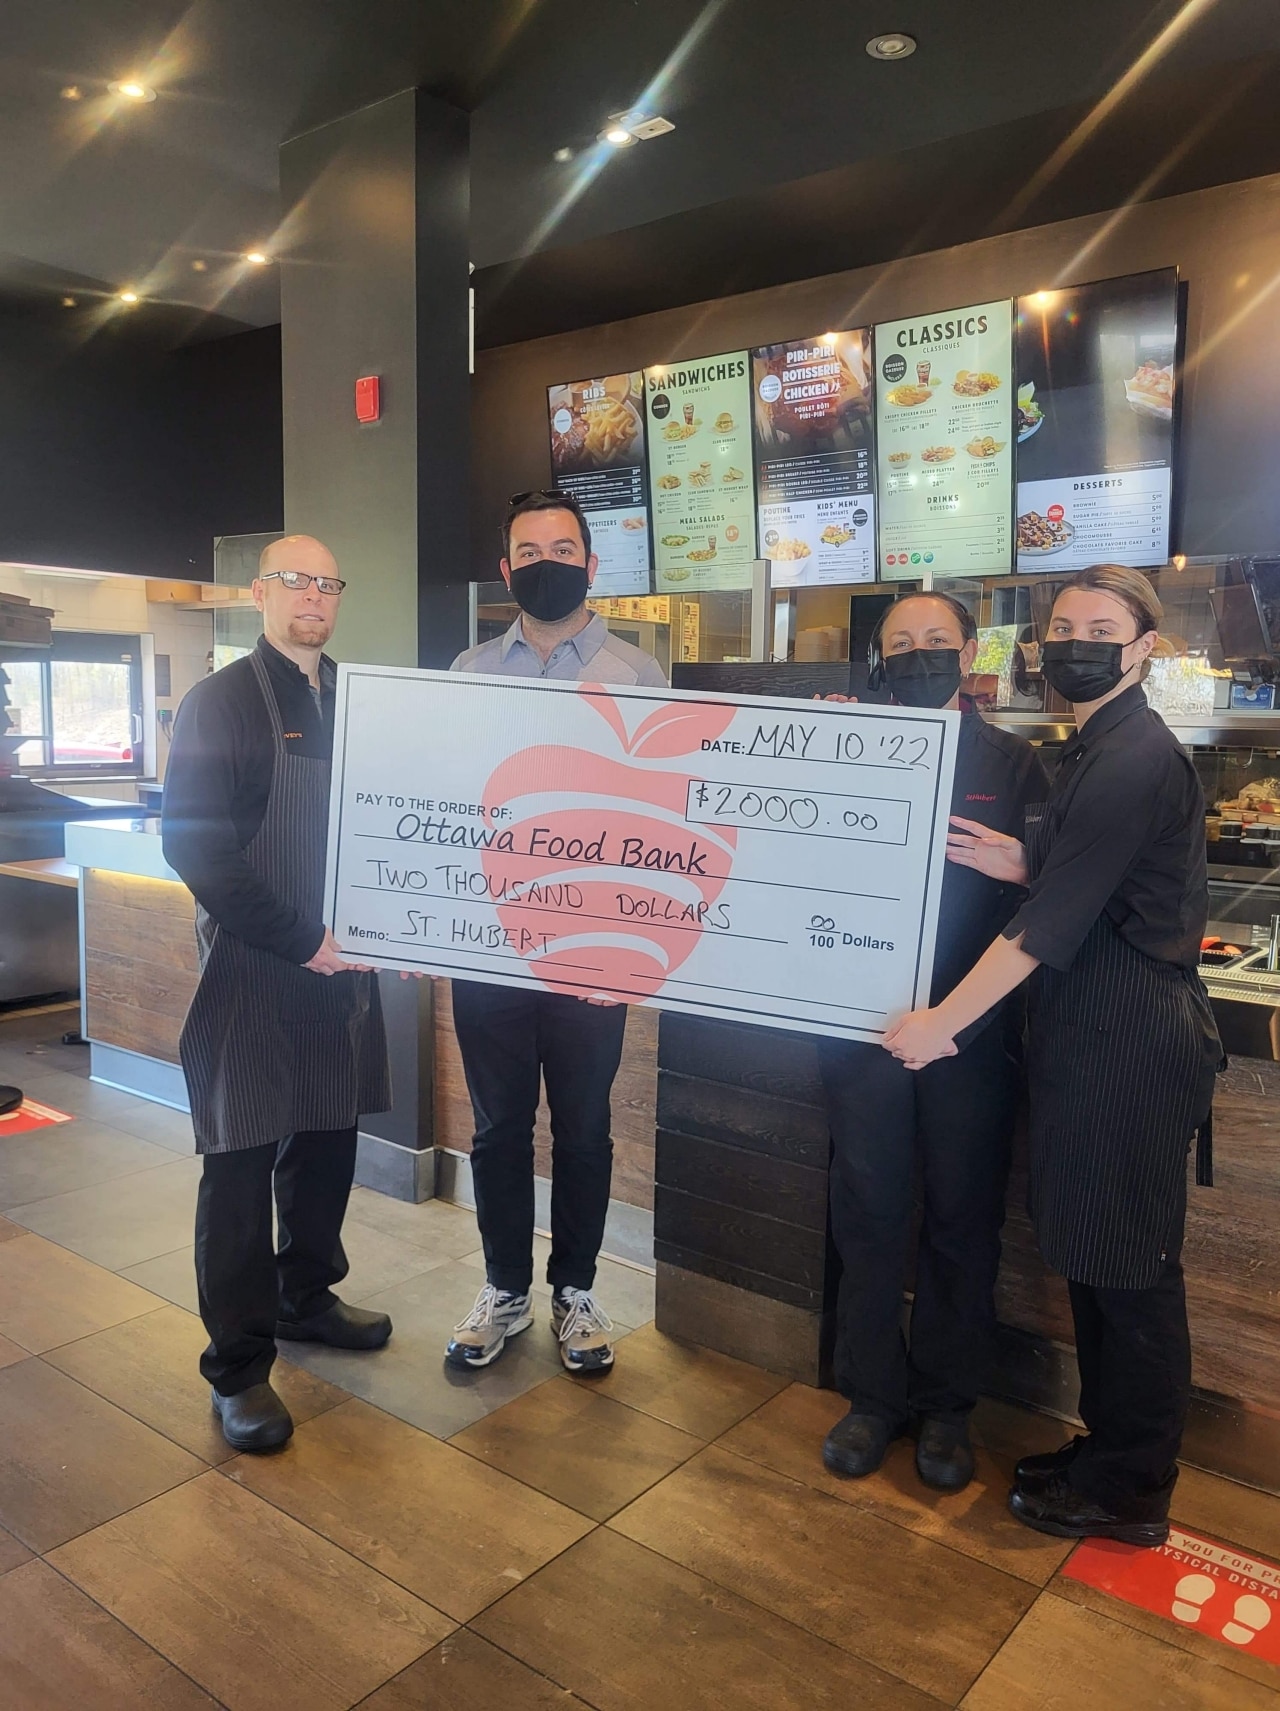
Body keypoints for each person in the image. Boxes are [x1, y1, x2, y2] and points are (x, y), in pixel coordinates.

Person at [885, 564, 1220, 1546]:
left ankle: (1132, 1488)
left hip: (1127, 1042)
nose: (1074, 639)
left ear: (1141, 644)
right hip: (1088, 1038)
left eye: (1099, 625)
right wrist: (1020, 859)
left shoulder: (1126, 756)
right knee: (1095, 1259)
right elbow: (1094, 878)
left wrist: (941, 1019)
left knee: (1131, 1273)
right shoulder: (1095, 743)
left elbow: (1046, 928)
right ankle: (1110, 1449)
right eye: (1061, 624)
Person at [163, 535, 393, 1452]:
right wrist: (303, 939)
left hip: (340, 971)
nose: (313, 595)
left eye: (328, 582)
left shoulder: (362, 701)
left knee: (327, 1142)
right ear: (260, 592)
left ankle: (306, 1296)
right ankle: (240, 1366)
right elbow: (194, 846)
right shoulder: (217, 702)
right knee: (239, 1165)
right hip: (257, 969)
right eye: (295, 579)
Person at [817, 593, 1048, 1492]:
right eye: (900, 645)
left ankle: (950, 1406)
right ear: (879, 659)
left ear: (967, 653)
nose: (918, 657)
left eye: (935, 644)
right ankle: (871, 1395)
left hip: (971, 1039)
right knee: (868, 1213)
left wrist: (962, 1021)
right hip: (861, 1029)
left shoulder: (1017, 762)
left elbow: (1047, 901)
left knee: (963, 1218)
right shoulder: (847, 745)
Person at [445, 490, 667, 1374]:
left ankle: (575, 1289)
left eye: (562, 547)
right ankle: (504, 1287)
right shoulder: (465, 673)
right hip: (489, 950)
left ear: (591, 563)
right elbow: (444, 809)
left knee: (583, 1126)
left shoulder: (639, 676)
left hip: (593, 954)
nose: (547, 562)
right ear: (506, 571)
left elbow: (659, 820)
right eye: (528, 550)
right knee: (498, 1128)